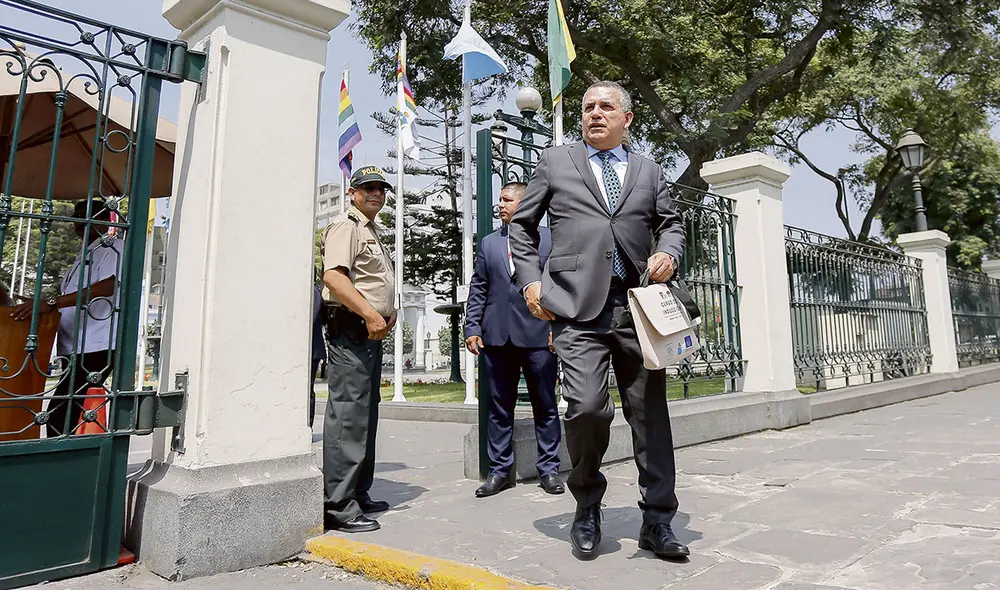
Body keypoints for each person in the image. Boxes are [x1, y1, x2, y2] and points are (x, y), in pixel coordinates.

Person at [509, 81, 689, 560]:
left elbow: (671, 223)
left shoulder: (649, 171)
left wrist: (668, 252)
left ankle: (658, 521)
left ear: (626, 118)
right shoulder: (555, 161)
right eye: (588, 107)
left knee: (650, 416)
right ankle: (587, 504)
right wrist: (530, 282)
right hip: (575, 307)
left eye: (606, 107)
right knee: (586, 408)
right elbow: (521, 225)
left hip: (638, 308)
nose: (594, 114)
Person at [464, 182, 563, 498]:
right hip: (496, 338)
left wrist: (556, 329)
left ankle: (549, 470)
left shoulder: (549, 238)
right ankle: (499, 472)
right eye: (500, 200)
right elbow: (479, 286)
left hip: (539, 336)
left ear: (524, 203)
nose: (501, 205)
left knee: (545, 405)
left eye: (507, 200)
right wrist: (472, 327)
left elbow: (560, 285)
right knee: (498, 408)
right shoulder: (490, 243)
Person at [320, 166, 397, 533]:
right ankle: (338, 504)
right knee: (348, 414)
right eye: (368, 188)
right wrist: (370, 313)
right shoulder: (347, 227)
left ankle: (357, 491)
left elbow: (372, 280)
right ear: (352, 193)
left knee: (365, 413)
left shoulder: (371, 230)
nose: (376, 194)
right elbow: (334, 278)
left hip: (369, 329)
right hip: (351, 327)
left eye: (381, 189)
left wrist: (387, 310)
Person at [9, 200, 124, 438]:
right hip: (74, 344)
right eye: (77, 215)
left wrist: (51, 303)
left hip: (96, 344)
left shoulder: (114, 247)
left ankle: (60, 467)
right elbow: (73, 297)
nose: (80, 221)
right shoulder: (86, 253)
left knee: (59, 415)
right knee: (62, 414)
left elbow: (107, 286)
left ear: (104, 218)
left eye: (87, 215)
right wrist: (42, 305)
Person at [309, 277, 324, 427]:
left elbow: (310, 319)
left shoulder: (313, 292)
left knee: (308, 390)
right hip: (312, 349)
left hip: (312, 350)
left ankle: (308, 425)